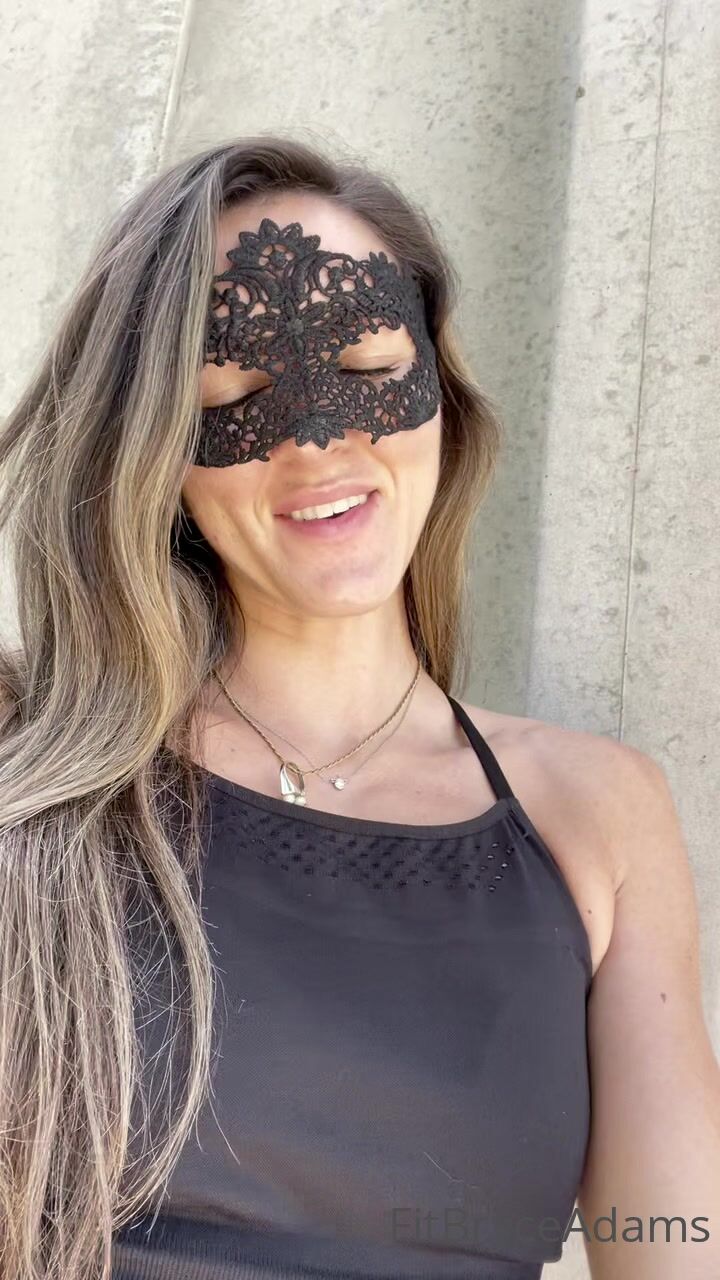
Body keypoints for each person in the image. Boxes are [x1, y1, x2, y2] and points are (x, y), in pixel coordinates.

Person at [0, 136, 717, 1280]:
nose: (316, 441)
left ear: (441, 390)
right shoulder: (29, 774)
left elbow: (673, 1246)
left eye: (366, 361)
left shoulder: (598, 812)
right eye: (236, 395)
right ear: (158, 453)